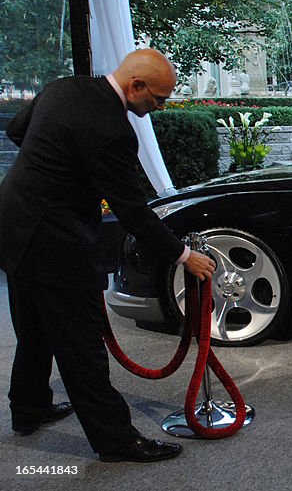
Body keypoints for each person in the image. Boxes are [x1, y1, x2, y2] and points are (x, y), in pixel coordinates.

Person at [0, 49, 216, 463]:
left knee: (34, 329)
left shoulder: (63, 88)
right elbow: (133, 210)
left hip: (12, 224)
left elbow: (16, 131)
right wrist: (184, 255)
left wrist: (55, 171)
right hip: (55, 244)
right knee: (82, 346)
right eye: (157, 98)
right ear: (136, 86)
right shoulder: (112, 129)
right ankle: (116, 440)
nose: (158, 107)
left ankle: (29, 408)